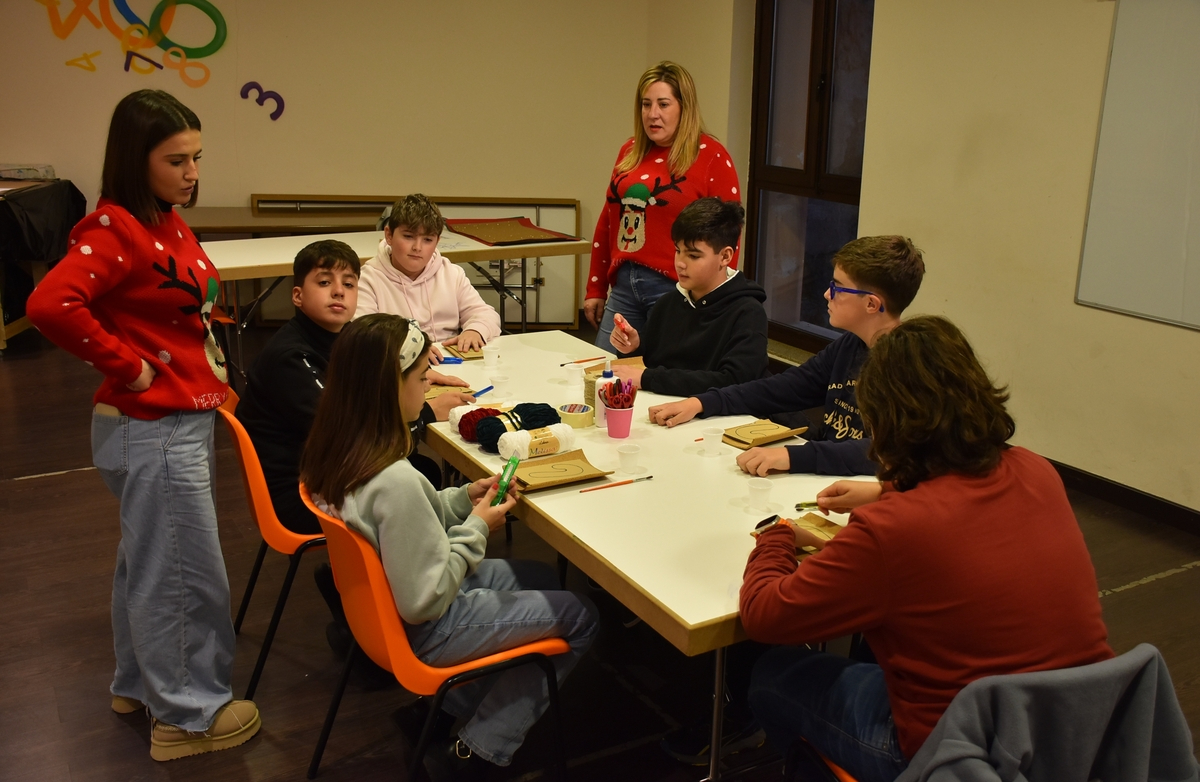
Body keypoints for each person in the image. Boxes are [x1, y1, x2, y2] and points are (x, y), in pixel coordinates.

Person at [740, 316, 1114, 782]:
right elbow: (959, 501)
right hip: (1074, 731)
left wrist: (775, 534)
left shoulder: (891, 530)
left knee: (775, 674)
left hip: (960, 753)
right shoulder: (1037, 470)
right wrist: (887, 491)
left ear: (883, 419)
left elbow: (764, 615)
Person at [26, 89, 259, 761]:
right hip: (152, 425)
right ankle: (187, 718)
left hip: (167, 424)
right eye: (176, 160)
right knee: (184, 575)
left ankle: (139, 683)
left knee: (149, 568)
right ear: (137, 159)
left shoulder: (165, 220)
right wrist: (129, 366)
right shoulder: (116, 227)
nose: (192, 172)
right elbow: (51, 303)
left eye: (197, 158)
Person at [299, 315, 598, 777]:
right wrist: (476, 526)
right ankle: (477, 750)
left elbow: (401, 523)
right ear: (386, 388)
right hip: (425, 627)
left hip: (382, 611)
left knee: (535, 577)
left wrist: (461, 500)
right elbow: (427, 600)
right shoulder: (394, 479)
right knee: (582, 616)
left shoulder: (340, 450)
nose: (428, 390)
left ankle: (448, 706)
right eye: (421, 379)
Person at [235, 239, 474, 535]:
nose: (338, 291)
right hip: (299, 493)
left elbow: (366, 382)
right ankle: (382, 575)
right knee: (414, 474)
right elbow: (355, 438)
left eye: (349, 284)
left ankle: (357, 573)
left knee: (419, 469)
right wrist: (425, 412)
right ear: (297, 296)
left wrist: (416, 377)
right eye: (324, 282)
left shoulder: (341, 336)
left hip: (319, 472)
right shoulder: (291, 358)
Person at [647, 235, 925, 476]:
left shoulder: (908, 365)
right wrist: (702, 402)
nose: (828, 294)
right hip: (825, 476)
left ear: (871, 304)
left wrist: (792, 456)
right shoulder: (849, 346)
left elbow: (889, 452)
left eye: (838, 288)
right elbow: (783, 388)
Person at [585, 61, 742, 350]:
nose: (652, 114)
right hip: (624, 285)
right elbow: (609, 222)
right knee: (603, 375)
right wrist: (595, 286)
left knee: (662, 379)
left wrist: (713, 301)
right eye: (646, 105)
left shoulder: (711, 156)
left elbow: (728, 236)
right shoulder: (630, 151)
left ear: (684, 107)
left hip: (677, 290)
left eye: (663, 104)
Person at [608, 197, 767, 396]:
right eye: (677, 251)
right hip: (664, 409)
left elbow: (734, 381)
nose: (680, 263)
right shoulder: (668, 304)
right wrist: (632, 348)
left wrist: (647, 378)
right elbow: (652, 365)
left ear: (725, 257)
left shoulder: (747, 312)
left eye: (693, 256)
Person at [356, 193, 501, 362]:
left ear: (437, 241)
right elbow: (364, 335)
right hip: (400, 365)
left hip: (451, 362)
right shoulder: (368, 279)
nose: (417, 247)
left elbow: (486, 314)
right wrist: (412, 349)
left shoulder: (452, 274)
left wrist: (475, 330)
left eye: (427, 239)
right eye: (408, 236)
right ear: (389, 235)